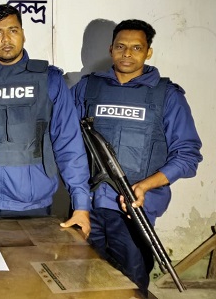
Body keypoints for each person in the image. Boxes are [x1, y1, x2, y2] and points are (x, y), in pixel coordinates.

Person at [71, 19, 202, 294]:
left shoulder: (167, 95)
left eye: (136, 48)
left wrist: (144, 186)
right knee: (80, 282)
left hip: (133, 212)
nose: (127, 53)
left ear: (148, 52)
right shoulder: (88, 88)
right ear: (111, 49)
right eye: (120, 47)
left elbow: (187, 156)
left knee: (130, 286)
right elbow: (64, 140)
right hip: (87, 206)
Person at [0, 4, 91, 233]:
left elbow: (68, 143)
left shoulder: (49, 80)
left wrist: (81, 205)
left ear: (23, 34)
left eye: (13, 30)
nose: (6, 39)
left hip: (32, 206)